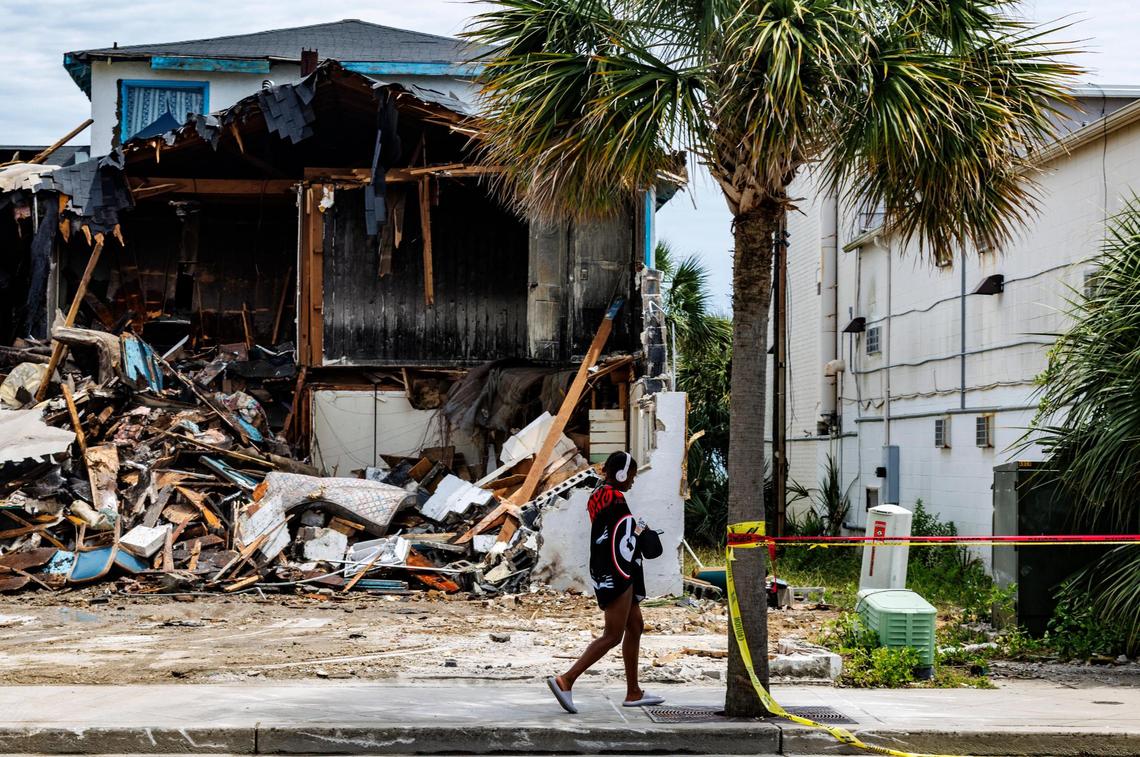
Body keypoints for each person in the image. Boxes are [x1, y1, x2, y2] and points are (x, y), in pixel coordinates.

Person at [546, 451, 665, 714]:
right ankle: (566, 680)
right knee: (613, 634)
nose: (632, 481)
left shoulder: (597, 496)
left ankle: (633, 692)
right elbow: (621, 539)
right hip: (618, 572)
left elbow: (610, 533)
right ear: (621, 474)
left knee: (636, 627)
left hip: (609, 569)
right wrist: (641, 531)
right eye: (631, 476)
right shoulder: (615, 497)